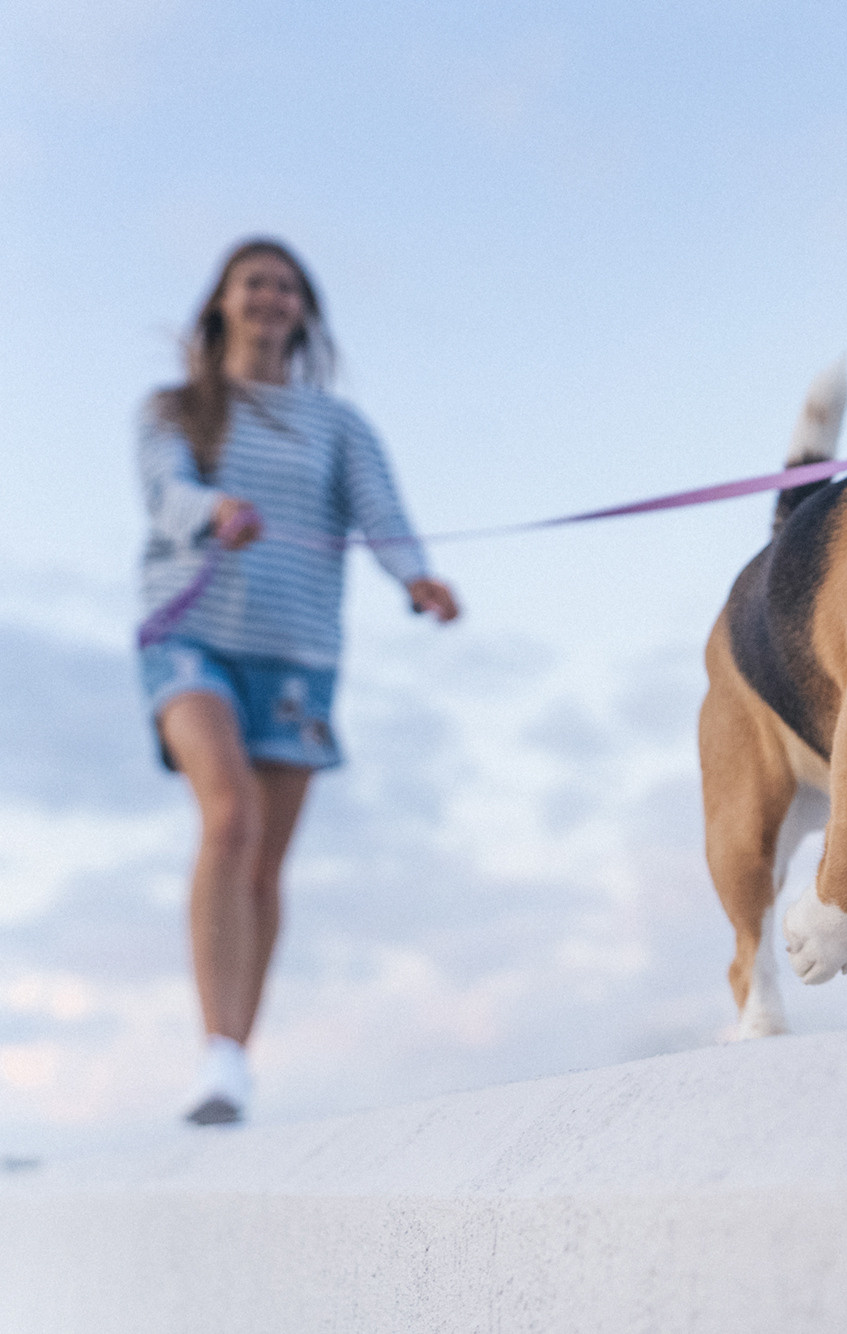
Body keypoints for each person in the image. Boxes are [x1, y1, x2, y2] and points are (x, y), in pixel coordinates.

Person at [137, 238, 460, 1126]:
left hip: (300, 653)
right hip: (190, 636)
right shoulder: (175, 408)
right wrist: (216, 509)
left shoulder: (338, 426)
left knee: (267, 863)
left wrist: (416, 577)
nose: (270, 298)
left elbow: (381, 512)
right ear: (221, 303)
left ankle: (231, 1063)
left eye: (286, 287)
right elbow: (166, 494)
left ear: (304, 311)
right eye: (254, 284)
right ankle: (215, 1048)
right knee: (229, 816)